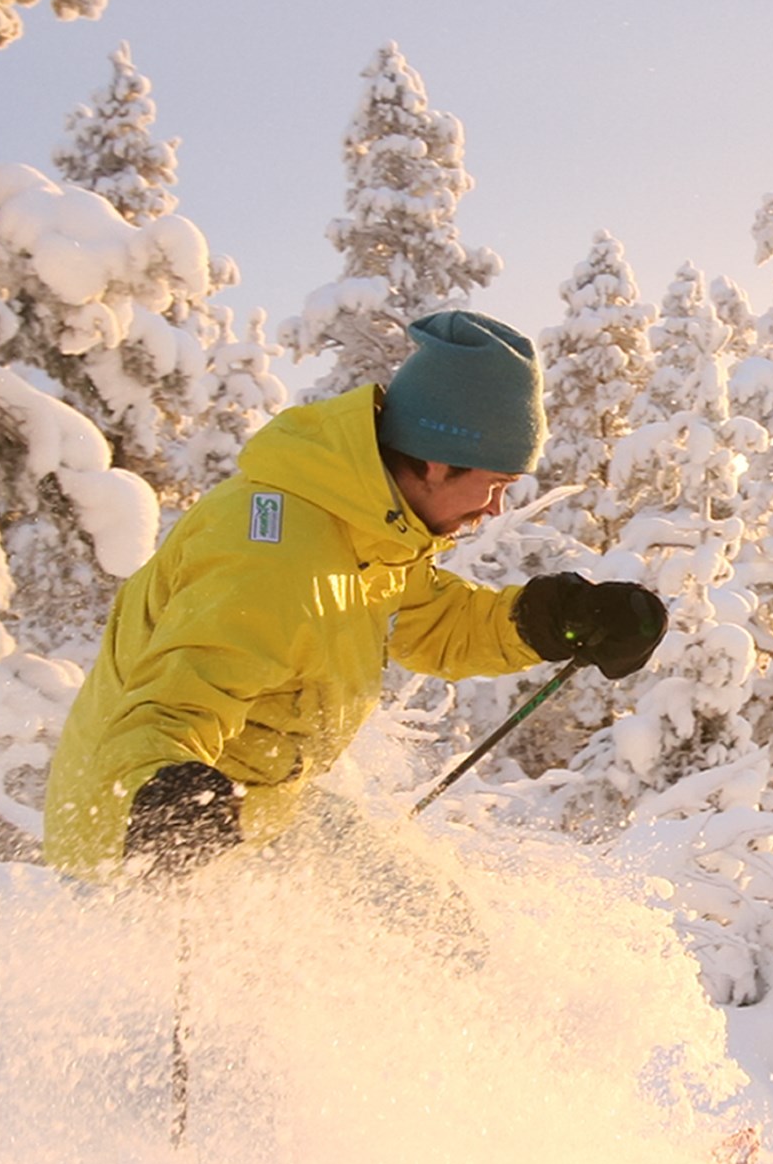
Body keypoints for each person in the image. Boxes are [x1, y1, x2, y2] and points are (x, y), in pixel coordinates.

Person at [42, 309, 666, 880]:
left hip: (258, 815)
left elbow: (429, 618)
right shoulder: (273, 559)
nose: (496, 508)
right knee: (413, 944)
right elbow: (171, 707)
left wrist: (550, 621)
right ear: (434, 461)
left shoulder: (365, 527)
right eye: (494, 483)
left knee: (431, 922)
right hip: (142, 844)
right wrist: (164, 799)